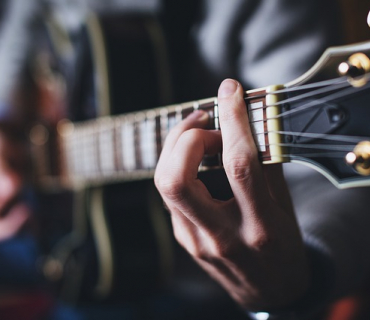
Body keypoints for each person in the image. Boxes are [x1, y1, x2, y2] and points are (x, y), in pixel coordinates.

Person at [0, 0, 363, 319]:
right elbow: (21, 30)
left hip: (198, 287)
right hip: (54, 239)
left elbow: (327, 190)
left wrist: (302, 274)